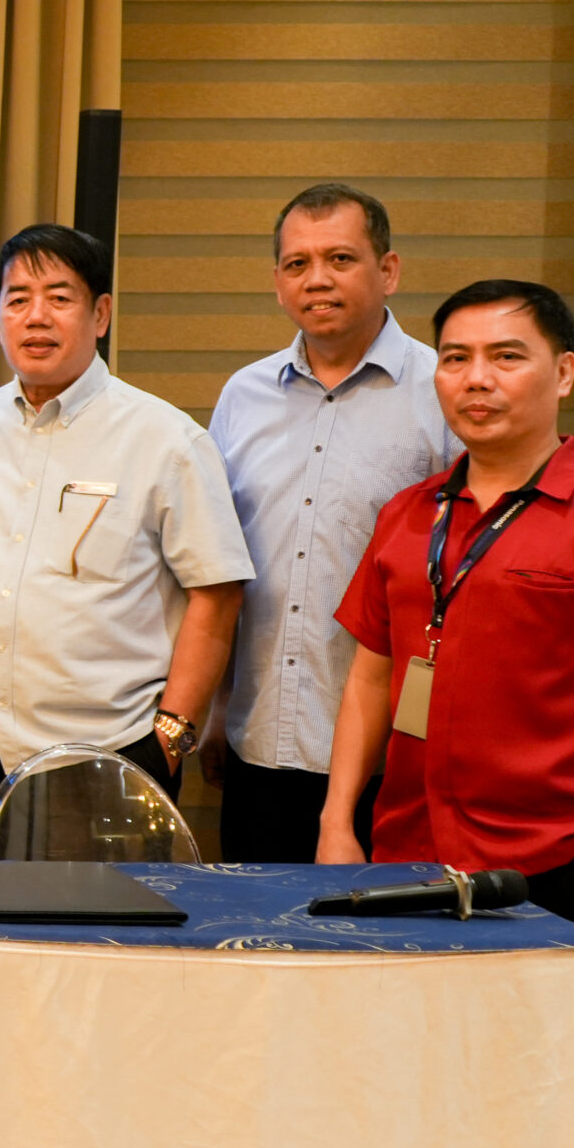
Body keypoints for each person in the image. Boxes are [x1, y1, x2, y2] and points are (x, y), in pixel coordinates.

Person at [320, 281, 574, 927]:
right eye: (454, 358)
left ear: (563, 374)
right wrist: (336, 822)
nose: (476, 380)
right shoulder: (407, 515)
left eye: (506, 357)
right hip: (400, 852)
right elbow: (369, 676)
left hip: (547, 866)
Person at [0, 223, 253, 849]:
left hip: (110, 757)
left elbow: (217, 594)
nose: (36, 317)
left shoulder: (165, 438)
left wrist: (173, 735)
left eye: (59, 297)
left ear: (100, 313)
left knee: (95, 942)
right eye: (18, 299)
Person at [207, 185, 454, 861]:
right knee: (259, 948)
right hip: (257, 740)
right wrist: (213, 706)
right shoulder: (243, 397)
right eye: (297, 264)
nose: (317, 279)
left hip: (396, 758)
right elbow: (221, 563)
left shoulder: (445, 391)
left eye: (341, 258)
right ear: (278, 282)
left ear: (389, 270)